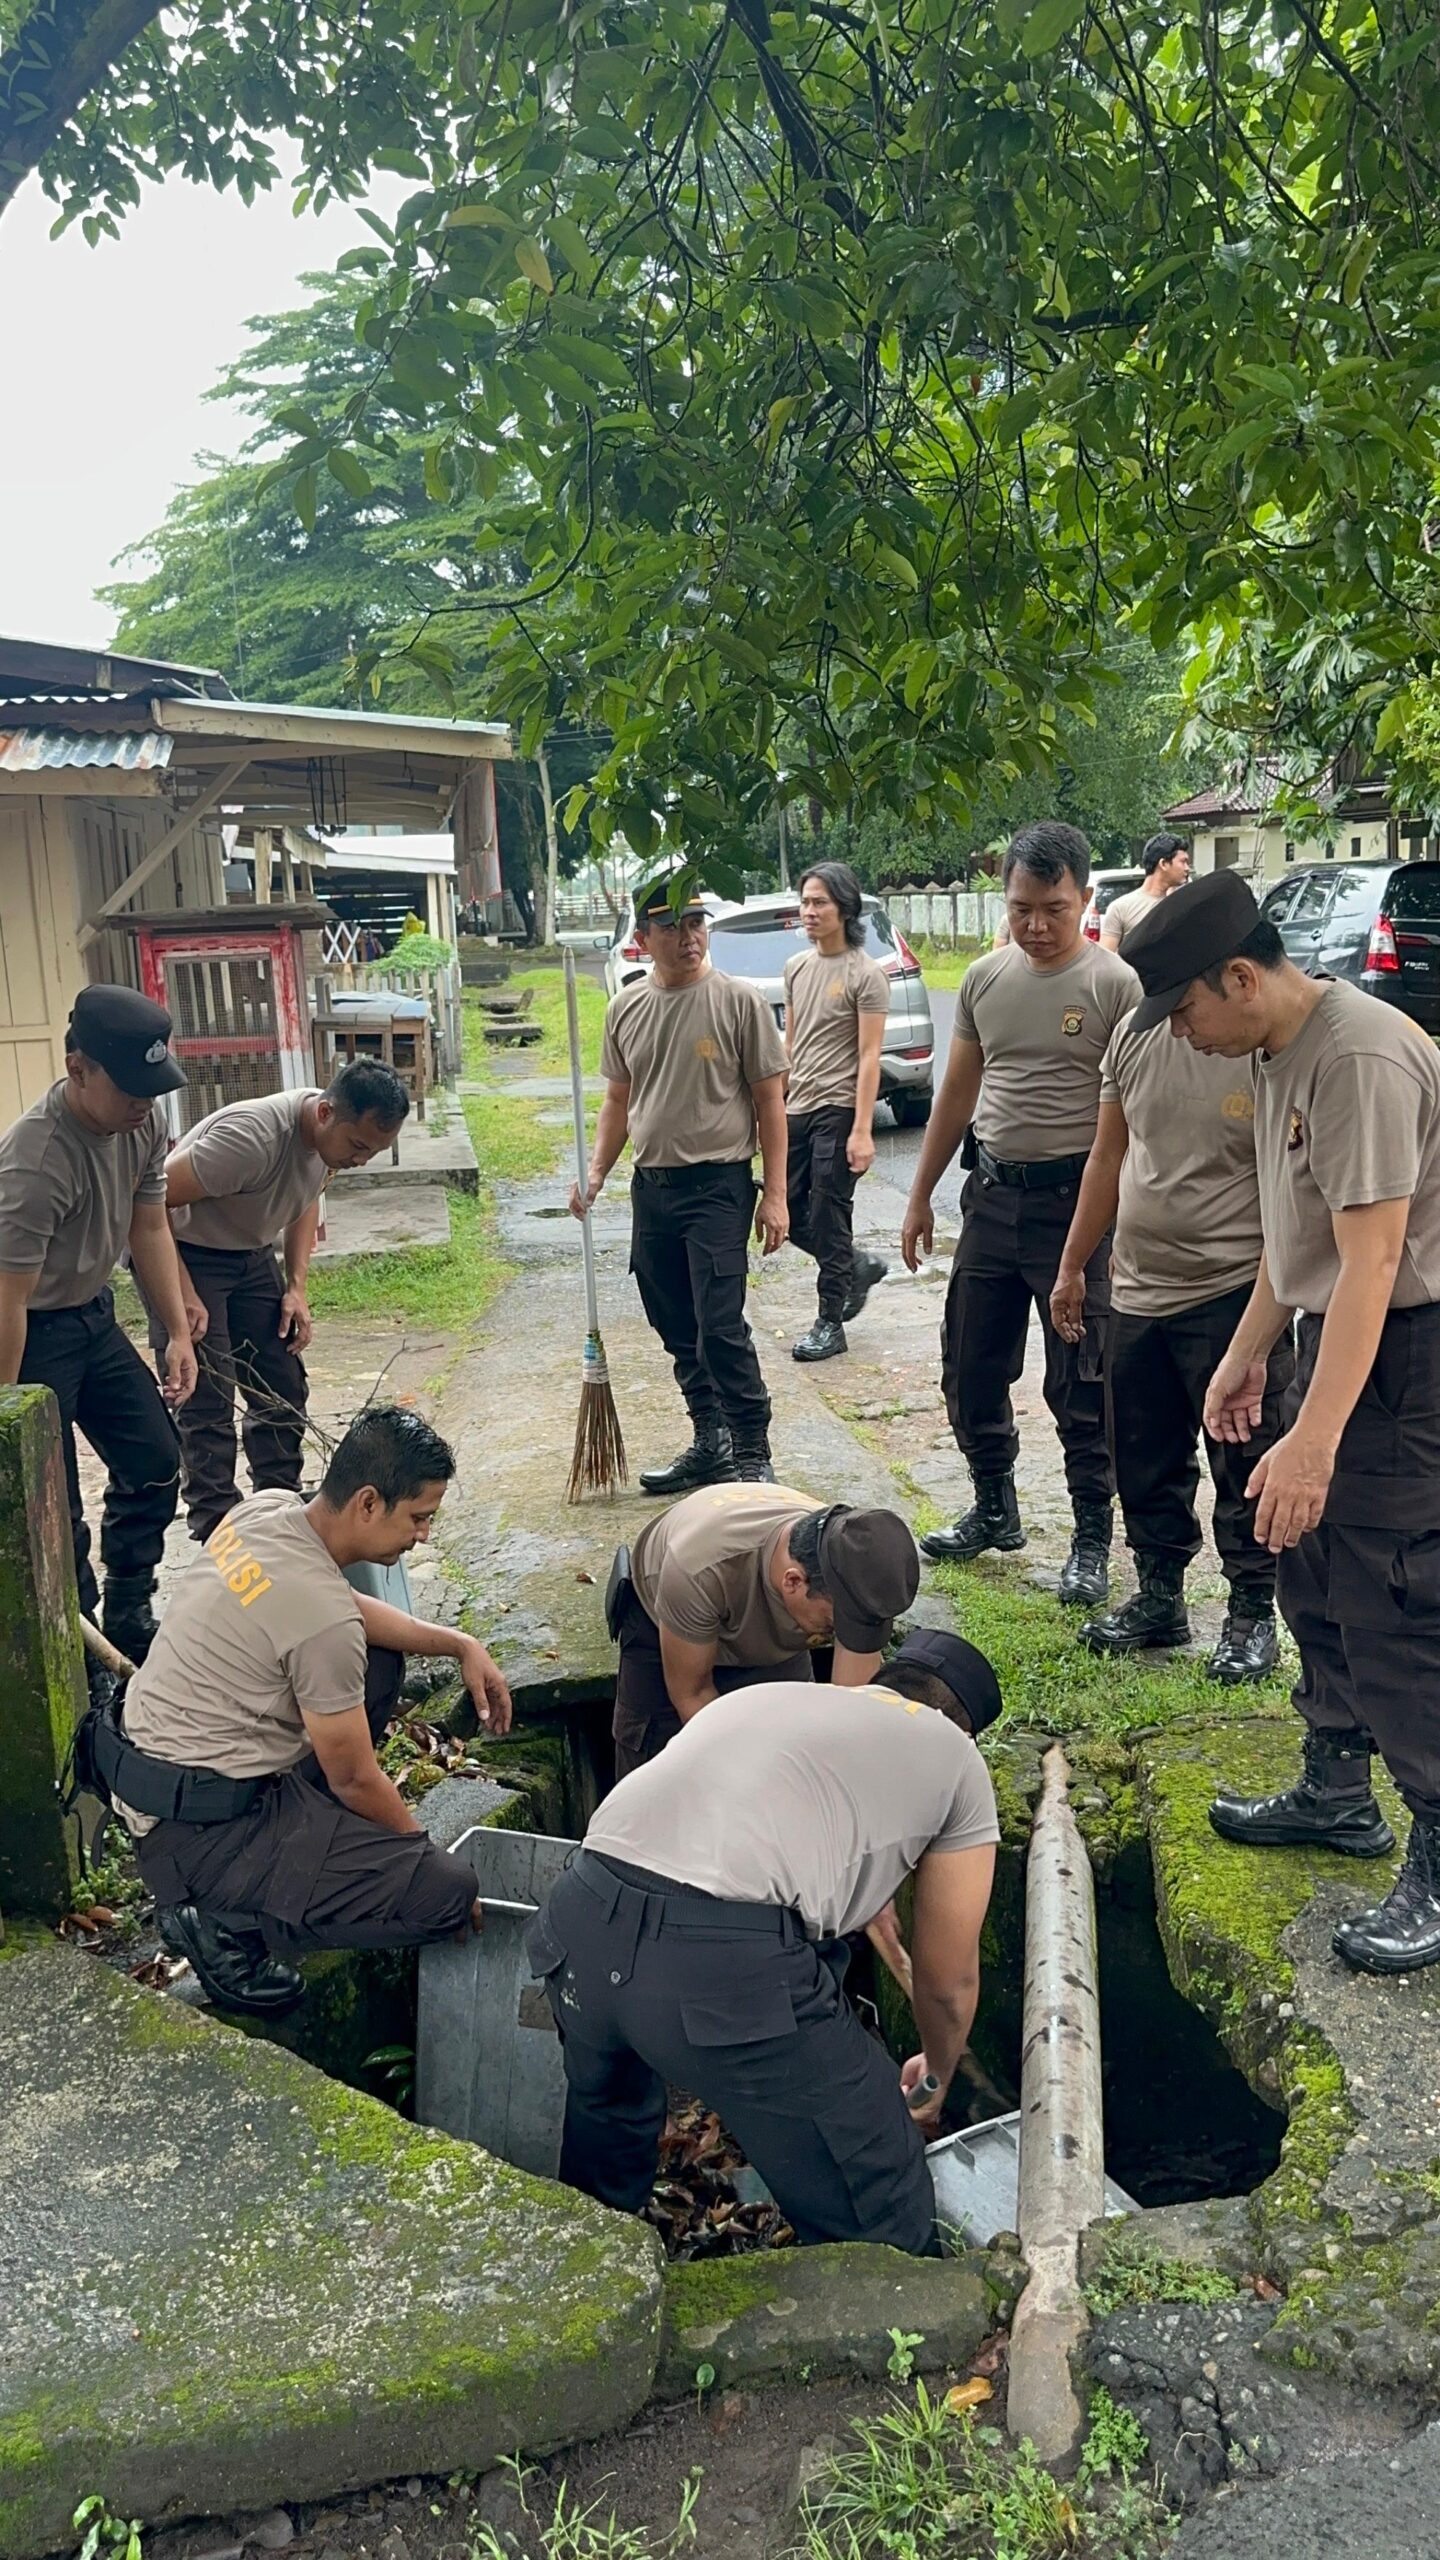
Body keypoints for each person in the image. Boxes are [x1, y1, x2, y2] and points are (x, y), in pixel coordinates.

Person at [1125, 870, 1440, 1976]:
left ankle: (1437, 1854)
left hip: (1409, 1356)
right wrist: (1247, 1354)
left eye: (1186, 1010)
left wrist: (1316, 1437)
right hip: (1336, 1334)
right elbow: (1297, 1241)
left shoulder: (1356, 1054)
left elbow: (1376, 1259)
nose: (1183, 1034)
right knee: (1297, 1553)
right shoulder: (1272, 1051)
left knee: (1396, 1592)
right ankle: (1338, 1787)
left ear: (1241, 977)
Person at [525, 1627, 1001, 2254]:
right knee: (875, 2179)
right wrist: (931, 2082)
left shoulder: (775, 1701)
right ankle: (901, 2329)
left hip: (578, 1917)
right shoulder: (957, 1760)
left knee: (607, 2136)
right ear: (965, 1729)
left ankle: (590, 2283)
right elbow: (947, 1980)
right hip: (714, 1962)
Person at [92, 1405, 512, 2014]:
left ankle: (295, 1848)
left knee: (382, 1658)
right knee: (444, 1893)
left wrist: (458, 1642)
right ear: (368, 1502)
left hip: (153, 1776)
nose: (423, 1535)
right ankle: (224, 1920)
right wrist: (419, 1851)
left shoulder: (268, 1511)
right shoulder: (322, 1624)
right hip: (197, 1835)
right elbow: (353, 1776)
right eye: (418, 1518)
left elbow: (340, 1609)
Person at [902, 823, 1139, 1606]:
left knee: (1082, 1379)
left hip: (1079, 1209)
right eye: (1021, 908)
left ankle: (1091, 1538)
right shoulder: (983, 979)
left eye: (1054, 909)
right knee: (970, 1363)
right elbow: (957, 1095)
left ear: (1085, 898)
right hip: (993, 1200)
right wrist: (920, 1195)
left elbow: (1131, 1124)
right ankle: (994, 1506)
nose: (1035, 925)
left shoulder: (1114, 986)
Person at [1049, 999, 1292, 1681]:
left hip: (1234, 1292)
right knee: (1142, 1454)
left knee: (1243, 1457)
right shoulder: (1133, 1033)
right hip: (1136, 1289)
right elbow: (1108, 1153)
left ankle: (1251, 1614)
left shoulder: (1260, 1044)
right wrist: (1074, 1268)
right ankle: (1160, 1597)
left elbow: (1292, 1187)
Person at [571, 867, 788, 1491]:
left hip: (718, 1187)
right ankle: (710, 1439)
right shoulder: (628, 1007)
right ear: (644, 936)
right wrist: (595, 1173)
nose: (689, 936)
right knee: (675, 1325)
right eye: (672, 926)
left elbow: (770, 1103)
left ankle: (751, 1447)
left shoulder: (738, 1001)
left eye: (696, 923)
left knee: (720, 1325)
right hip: (654, 1190)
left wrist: (773, 1195)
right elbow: (618, 1100)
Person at [0, 985, 197, 1666]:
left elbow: (148, 1225)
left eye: (154, 1084)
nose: (147, 1101)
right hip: (32, 1333)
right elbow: (8, 1298)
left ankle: (131, 1603)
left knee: (154, 1458)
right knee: (52, 1504)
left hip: (94, 1316)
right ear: (77, 1068)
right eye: (132, 1086)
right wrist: (6, 1418)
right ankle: (84, 1651)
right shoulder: (34, 1160)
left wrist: (174, 1329)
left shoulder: (141, 1120)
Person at [158, 1061, 411, 1543]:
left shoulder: (329, 1143)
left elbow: (307, 1196)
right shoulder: (248, 1139)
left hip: (250, 1254)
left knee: (281, 1380)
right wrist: (183, 1295)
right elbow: (149, 1203)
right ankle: (218, 1532)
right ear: (324, 1113)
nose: (361, 1160)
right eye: (358, 1146)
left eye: (374, 1152)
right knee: (207, 1394)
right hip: (186, 1249)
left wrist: (296, 1287)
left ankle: (280, 1514)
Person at [608, 1481, 920, 1774]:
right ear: (793, 1582)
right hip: (669, 1621)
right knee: (663, 1767)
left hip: (773, 1630)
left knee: (796, 1743)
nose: (839, 1637)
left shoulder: (853, 1568)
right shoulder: (699, 1568)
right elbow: (692, 1694)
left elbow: (853, 1709)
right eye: (833, 1627)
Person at [783, 860, 891, 1362]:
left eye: (819, 902)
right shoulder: (797, 967)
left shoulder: (865, 975)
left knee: (828, 1212)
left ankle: (830, 1322)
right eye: (805, 902)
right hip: (797, 1105)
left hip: (840, 1107)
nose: (809, 911)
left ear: (844, 908)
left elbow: (870, 1055)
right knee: (783, 1211)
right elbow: (791, 1043)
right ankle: (857, 1265)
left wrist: (863, 1130)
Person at [1100, 833, 1191, 956]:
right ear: (1163, 864)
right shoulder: (1120, 908)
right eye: (1183, 862)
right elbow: (1106, 958)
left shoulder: (1182, 906)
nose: (1187, 868)